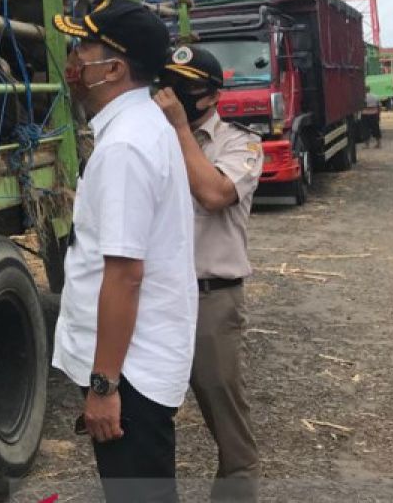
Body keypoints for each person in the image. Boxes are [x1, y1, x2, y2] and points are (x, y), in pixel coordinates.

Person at [51, 0, 197, 503]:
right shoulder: (141, 128)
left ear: (112, 68)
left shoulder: (124, 148)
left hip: (129, 374)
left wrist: (104, 386)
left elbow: (125, 274)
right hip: (137, 362)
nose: (71, 62)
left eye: (81, 48)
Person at [155, 46, 263, 502]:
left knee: (226, 420)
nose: (175, 93)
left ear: (212, 95)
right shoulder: (152, 140)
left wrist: (179, 127)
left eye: (187, 86)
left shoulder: (241, 144)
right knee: (148, 414)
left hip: (210, 301)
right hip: (158, 300)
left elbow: (214, 193)